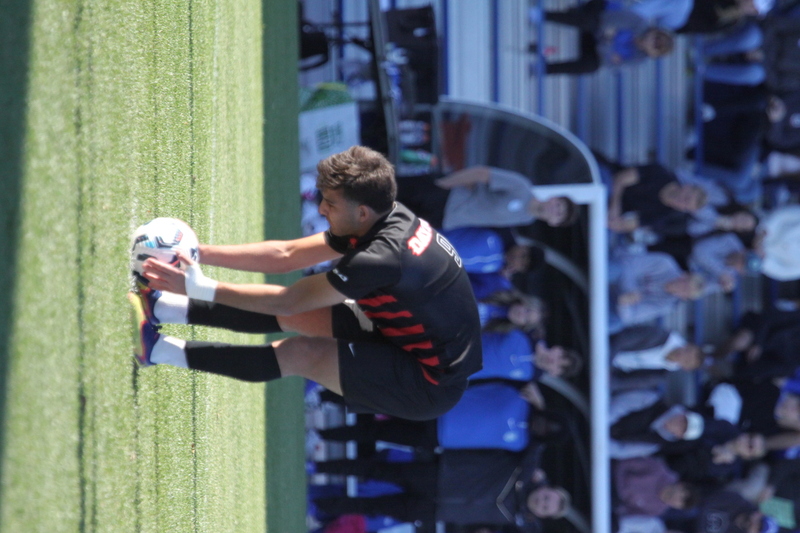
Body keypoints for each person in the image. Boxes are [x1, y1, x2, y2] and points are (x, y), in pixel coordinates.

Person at [129, 145, 483, 421]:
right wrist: (197, 253)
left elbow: (288, 300)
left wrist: (199, 286)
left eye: (330, 203)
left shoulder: (380, 258)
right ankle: (161, 306)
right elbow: (286, 254)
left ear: (361, 212)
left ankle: (157, 350)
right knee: (297, 319)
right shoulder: (382, 215)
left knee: (301, 353)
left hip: (428, 382)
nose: (322, 210)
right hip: (402, 333)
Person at [396, 166, 579, 231]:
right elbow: (483, 173)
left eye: (559, 214)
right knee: (383, 189)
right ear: (553, 198)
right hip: (446, 195)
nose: (555, 210)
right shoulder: (522, 187)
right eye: (558, 205)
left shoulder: (526, 220)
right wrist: (445, 182)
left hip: (445, 219)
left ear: (553, 223)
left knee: (385, 217)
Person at [529, 0, 675, 75]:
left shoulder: (639, 59)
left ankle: (543, 69)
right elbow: (606, 21)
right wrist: (608, 45)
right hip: (598, 11)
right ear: (655, 31)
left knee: (591, 66)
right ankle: (542, 15)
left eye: (656, 47)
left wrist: (607, 41)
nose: (652, 42)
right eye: (657, 38)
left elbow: (609, 64)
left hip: (597, 41)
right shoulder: (638, 22)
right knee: (590, 23)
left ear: (653, 54)